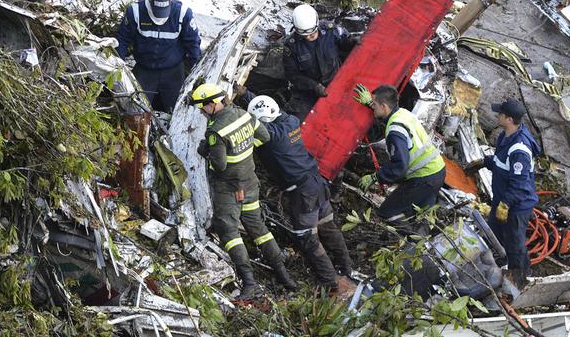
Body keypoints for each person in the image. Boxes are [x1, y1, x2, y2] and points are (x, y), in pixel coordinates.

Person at [190, 84, 297, 298]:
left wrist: (206, 151)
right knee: (258, 227)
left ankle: (249, 283)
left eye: (202, 107)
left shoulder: (216, 130)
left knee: (229, 232)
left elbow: (219, 165)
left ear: (213, 104)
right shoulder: (244, 114)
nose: (201, 111)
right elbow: (264, 137)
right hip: (249, 183)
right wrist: (245, 150)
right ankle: (284, 276)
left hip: (228, 188)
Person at [247, 94, 355, 295]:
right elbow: (265, 111)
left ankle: (328, 280)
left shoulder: (271, 135)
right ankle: (347, 268)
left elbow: (254, 125)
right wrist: (245, 94)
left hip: (302, 193)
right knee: (329, 227)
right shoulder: (290, 120)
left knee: (307, 237)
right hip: (317, 182)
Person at [464, 99, 540, 288]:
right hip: (502, 200)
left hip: (516, 205)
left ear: (509, 119)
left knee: (515, 245)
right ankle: (496, 272)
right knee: (493, 235)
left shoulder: (520, 148)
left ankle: (521, 282)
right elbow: (501, 162)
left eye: (500, 114)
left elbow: (520, 184)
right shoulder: (505, 136)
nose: (496, 116)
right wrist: (485, 162)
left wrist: (505, 204)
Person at [353, 83, 446, 231]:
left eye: (375, 104)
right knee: (421, 215)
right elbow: (388, 115)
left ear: (384, 106)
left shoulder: (395, 131)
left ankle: (413, 243)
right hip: (437, 171)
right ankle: (428, 244)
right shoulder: (403, 113)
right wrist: (370, 104)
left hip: (423, 178)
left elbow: (399, 166)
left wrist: (375, 177)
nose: (374, 107)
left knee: (387, 211)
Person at [116, 0, 201, 112]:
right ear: (150, 3)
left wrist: (197, 74)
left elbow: (193, 43)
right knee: (136, 109)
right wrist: (118, 65)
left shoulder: (183, 13)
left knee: (176, 110)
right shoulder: (135, 12)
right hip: (145, 69)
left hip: (173, 71)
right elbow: (122, 39)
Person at [283, 4, 353, 120]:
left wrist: (351, 42)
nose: (310, 36)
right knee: (299, 122)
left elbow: (346, 47)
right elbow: (292, 75)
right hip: (309, 93)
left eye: (313, 33)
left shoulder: (332, 31)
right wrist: (313, 86)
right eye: (306, 35)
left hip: (338, 83)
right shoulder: (291, 46)